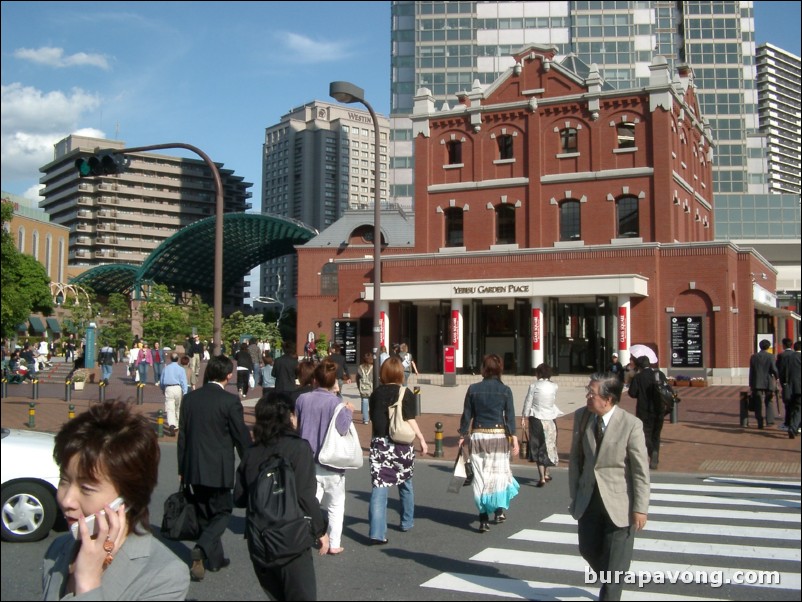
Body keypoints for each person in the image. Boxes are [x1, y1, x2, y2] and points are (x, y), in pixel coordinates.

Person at [43, 401, 189, 600]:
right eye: (64, 480)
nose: (67, 500)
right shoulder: (59, 549)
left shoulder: (164, 574)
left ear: (127, 497)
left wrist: (88, 582)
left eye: (86, 488)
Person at [234, 391, 330, 600]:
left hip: (259, 540)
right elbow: (305, 496)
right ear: (288, 417)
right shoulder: (298, 448)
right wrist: (320, 531)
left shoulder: (251, 451)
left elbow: (239, 498)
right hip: (292, 538)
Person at [569, 372, 650, 601]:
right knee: (587, 549)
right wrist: (574, 494)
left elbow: (640, 471)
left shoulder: (631, 424)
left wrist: (640, 508)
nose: (588, 396)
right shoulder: (582, 417)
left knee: (616, 564)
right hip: (589, 499)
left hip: (619, 502)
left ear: (609, 399)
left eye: (592, 393)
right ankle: (613, 579)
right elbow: (576, 459)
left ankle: (611, 591)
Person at [178, 354, 251, 582]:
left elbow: (183, 436)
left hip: (193, 465)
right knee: (222, 512)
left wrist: (182, 466)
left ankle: (215, 559)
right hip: (219, 467)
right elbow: (241, 436)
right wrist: (249, 461)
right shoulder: (229, 401)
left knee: (204, 512)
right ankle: (201, 548)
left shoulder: (190, 399)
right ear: (228, 375)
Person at [294, 360, 354, 555]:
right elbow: (342, 429)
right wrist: (349, 412)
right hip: (331, 461)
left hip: (307, 460)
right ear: (333, 382)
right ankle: (334, 543)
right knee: (336, 504)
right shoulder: (336, 403)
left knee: (309, 501)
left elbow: (297, 426)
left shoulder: (302, 400)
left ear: (315, 379)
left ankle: (302, 537)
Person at [367, 356, 428, 544]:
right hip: (401, 446)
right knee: (406, 484)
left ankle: (377, 532)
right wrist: (422, 439)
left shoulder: (375, 394)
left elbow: (373, 419)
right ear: (401, 373)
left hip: (380, 444)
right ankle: (406, 522)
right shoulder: (405, 393)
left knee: (379, 487)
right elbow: (410, 419)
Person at [458, 353, 520, 533]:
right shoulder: (505, 390)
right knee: (498, 476)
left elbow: (467, 415)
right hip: (499, 437)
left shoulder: (473, 389)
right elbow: (509, 416)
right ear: (500, 369)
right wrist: (514, 437)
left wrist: (462, 434)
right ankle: (499, 510)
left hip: (478, 436)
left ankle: (483, 518)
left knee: (480, 477)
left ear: (483, 368)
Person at [520, 362, 563, 486]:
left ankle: (541, 477)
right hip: (550, 417)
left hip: (536, 417)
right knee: (549, 444)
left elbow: (528, 402)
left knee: (537, 444)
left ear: (538, 373)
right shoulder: (554, 386)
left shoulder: (534, 386)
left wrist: (524, 416)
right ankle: (547, 473)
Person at [627, 356, 667, 470]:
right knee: (656, 434)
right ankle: (655, 458)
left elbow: (632, 393)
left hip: (644, 410)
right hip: (659, 409)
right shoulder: (659, 374)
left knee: (645, 434)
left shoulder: (639, 377)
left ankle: (652, 452)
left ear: (639, 365)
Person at [748, 339, 780, 429]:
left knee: (757, 402)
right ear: (768, 347)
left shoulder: (754, 356)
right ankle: (769, 421)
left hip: (757, 381)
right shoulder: (771, 356)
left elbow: (752, 371)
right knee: (769, 401)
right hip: (768, 381)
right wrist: (777, 377)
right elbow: (774, 369)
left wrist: (751, 384)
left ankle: (759, 421)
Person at [160, 352, 188, 437]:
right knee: (178, 407)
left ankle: (171, 424)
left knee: (170, 407)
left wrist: (162, 389)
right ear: (178, 359)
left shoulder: (166, 368)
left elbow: (161, 380)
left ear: (170, 359)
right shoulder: (181, 369)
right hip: (178, 388)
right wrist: (185, 391)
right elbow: (184, 381)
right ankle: (177, 424)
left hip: (168, 388)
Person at [778, 340, 801, 439]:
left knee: (791, 407)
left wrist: (784, 385)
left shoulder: (788, 357)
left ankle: (792, 426)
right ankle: (794, 427)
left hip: (790, 387)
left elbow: (782, 372)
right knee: (799, 407)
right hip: (800, 387)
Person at [776, 338, 795, 433]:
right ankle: (795, 422)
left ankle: (787, 422)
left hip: (786, 383)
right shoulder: (795, 355)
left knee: (787, 403)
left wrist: (780, 381)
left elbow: (779, 369)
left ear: (783, 345)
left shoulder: (781, 355)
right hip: (796, 382)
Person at [357, 352, 374, 424]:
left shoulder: (360, 367)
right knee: (372, 403)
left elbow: (357, 378)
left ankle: (365, 419)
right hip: (371, 387)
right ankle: (371, 418)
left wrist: (358, 387)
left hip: (363, 387)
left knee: (364, 402)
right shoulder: (373, 367)